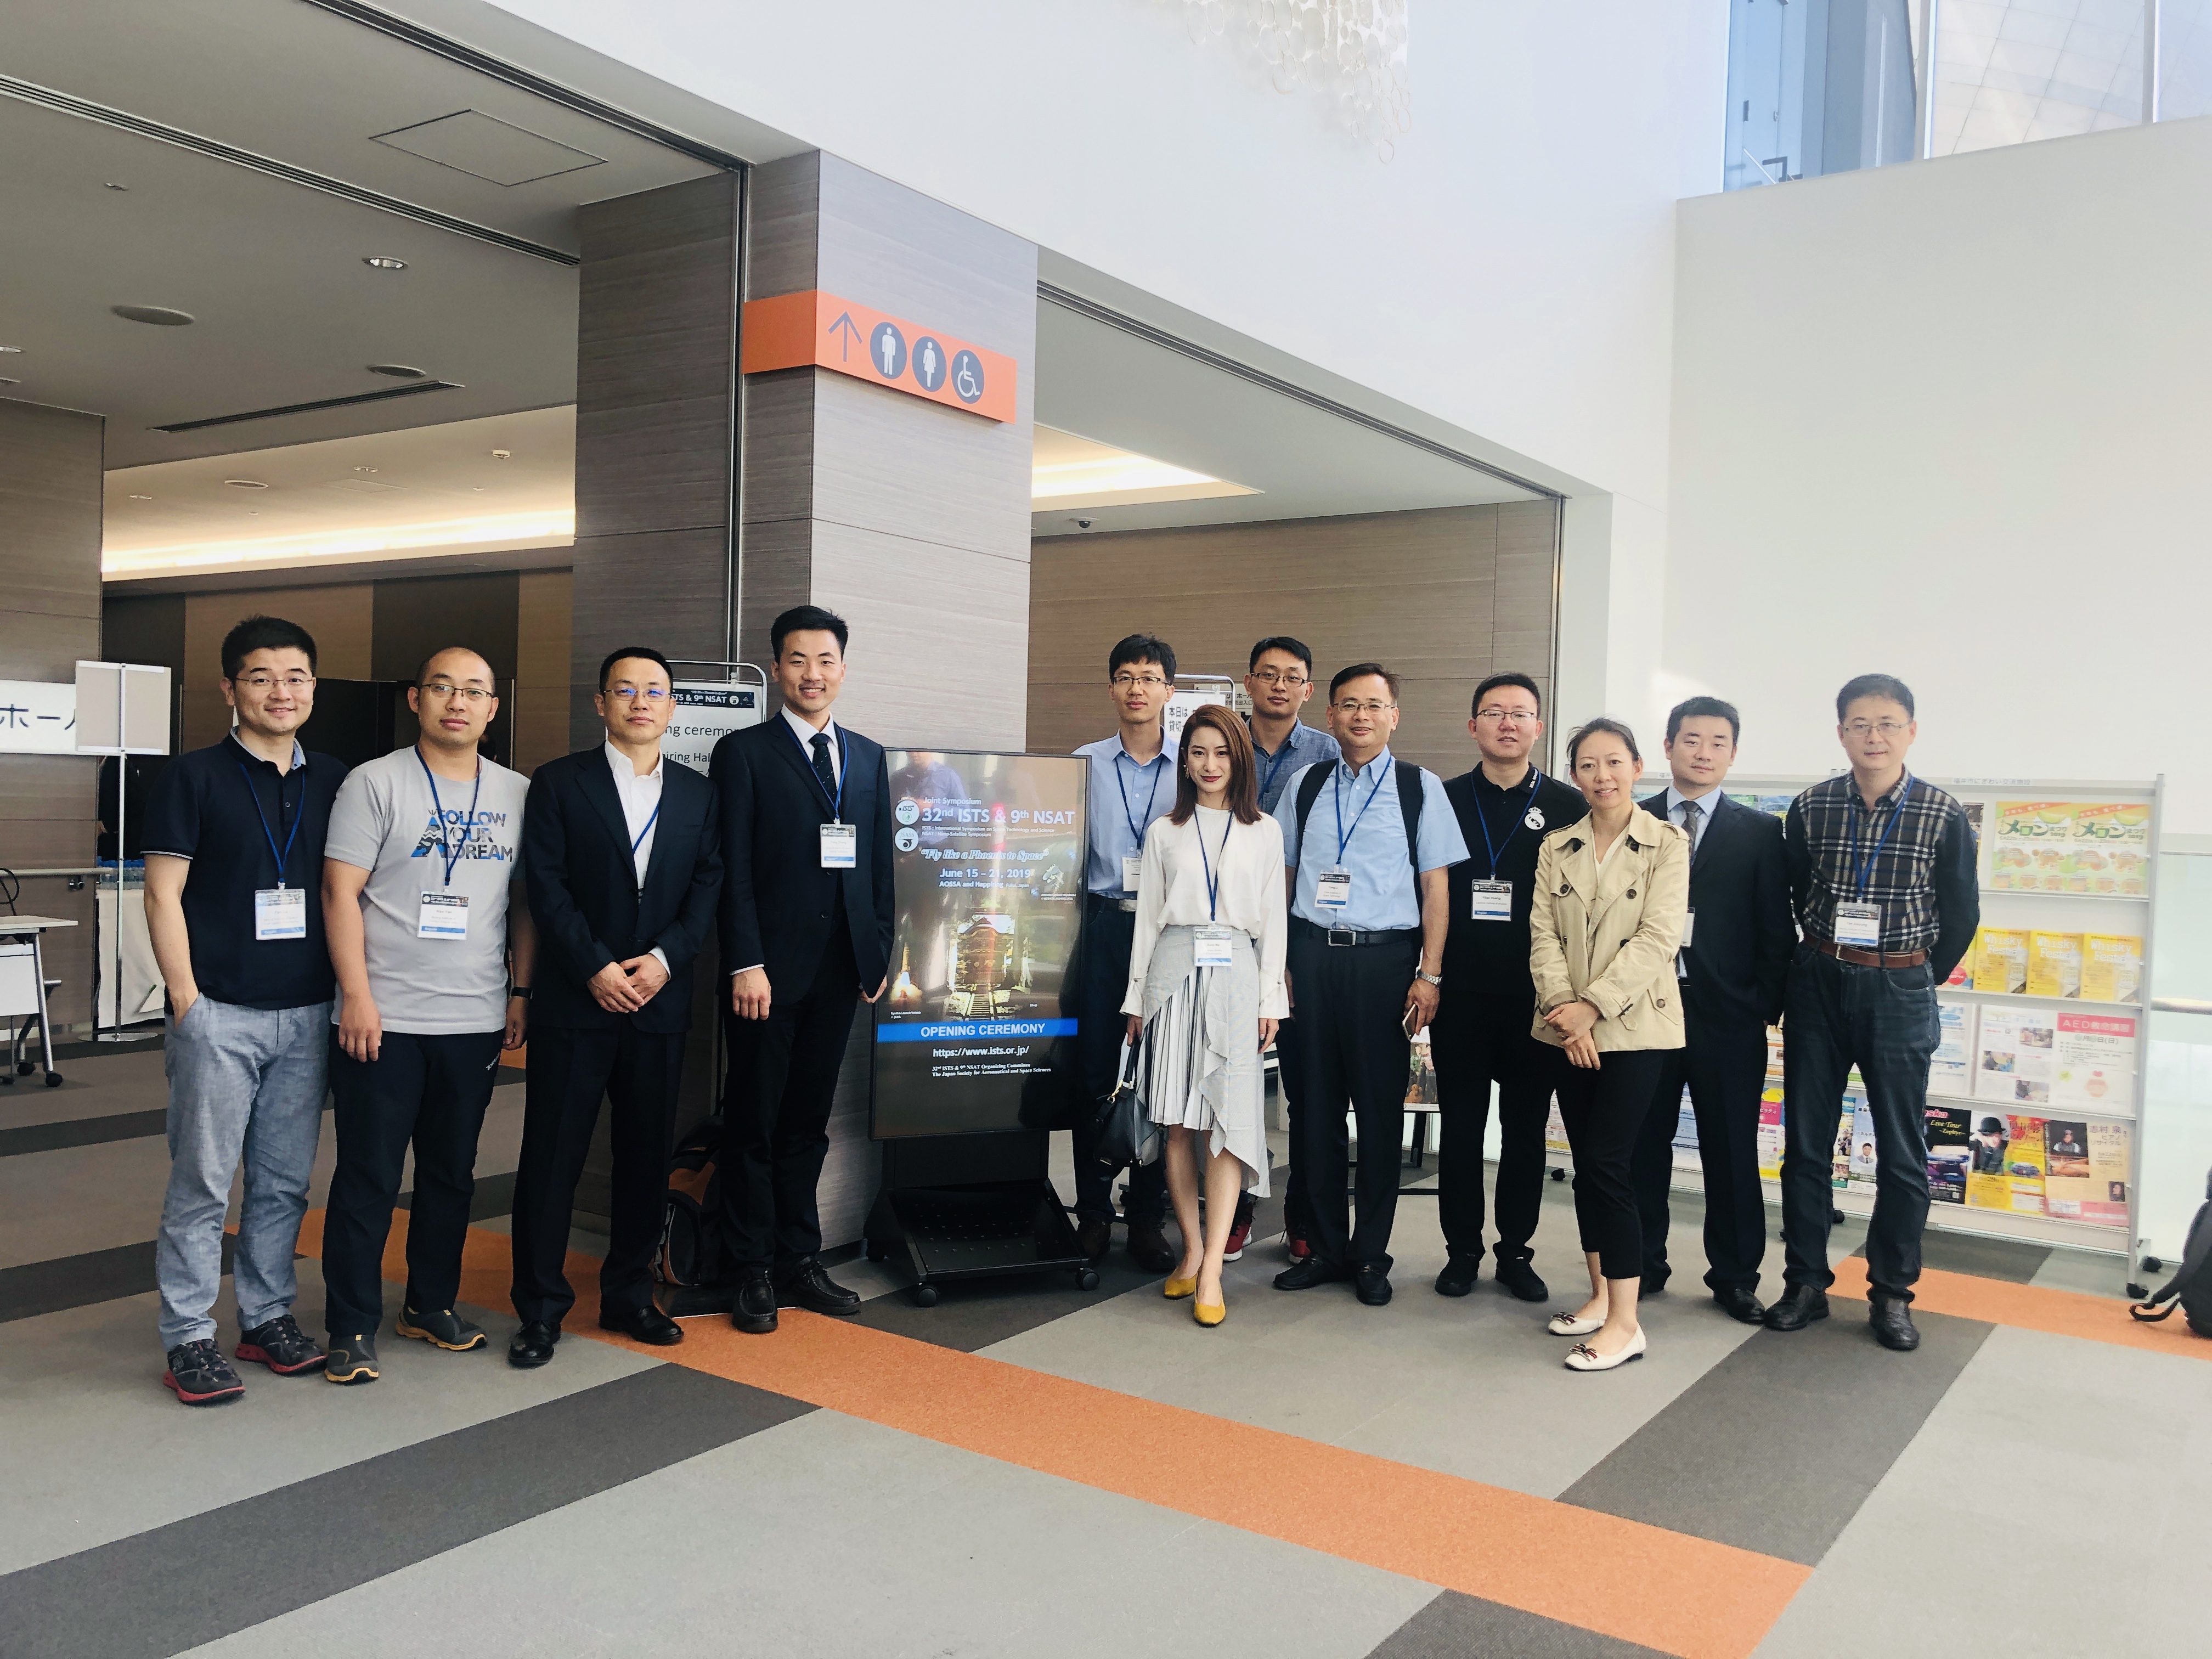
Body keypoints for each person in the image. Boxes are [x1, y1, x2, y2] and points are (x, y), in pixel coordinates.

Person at [141, 616, 347, 1405]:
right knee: (202, 1182)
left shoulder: (336, 779)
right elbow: (162, 894)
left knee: (284, 1182)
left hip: (307, 1012)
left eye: (295, 678)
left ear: (314, 688)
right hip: (219, 1013)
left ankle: (265, 1317)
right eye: (261, 677)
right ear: (231, 688)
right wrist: (186, 1000)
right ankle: (189, 1334)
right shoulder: (192, 777)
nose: (280, 692)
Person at [317, 649, 534, 1385]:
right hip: (383, 1018)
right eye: (443, 688)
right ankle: (351, 1324)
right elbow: (340, 893)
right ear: (416, 699)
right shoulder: (374, 782)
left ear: (493, 708)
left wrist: (520, 992)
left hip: (473, 1018)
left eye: (474, 691)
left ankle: (429, 1303)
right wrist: (356, 994)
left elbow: (524, 906)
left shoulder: (516, 792)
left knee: (451, 1175)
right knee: (369, 1175)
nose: (458, 702)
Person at [508, 647, 722, 1367]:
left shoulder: (698, 794)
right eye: (625, 690)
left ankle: (630, 1296)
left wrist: (664, 960)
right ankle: (540, 1310)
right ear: (601, 703)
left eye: (654, 691)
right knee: (552, 1159)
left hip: (658, 1003)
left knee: (644, 1158)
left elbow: (707, 889)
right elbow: (546, 885)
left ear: (671, 706)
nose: (640, 702)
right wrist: (594, 966)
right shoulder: (559, 782)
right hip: (576, 1001)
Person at [1767, 674, 1978, 1353]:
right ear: (1841, 733)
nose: (1874, 736)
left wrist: (1911, 974)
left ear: (1911, 732)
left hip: (1899, 986)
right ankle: (1805, 1282)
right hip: (1819, 982)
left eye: (1888, 723)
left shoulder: (1942, 813)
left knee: (1902, 1148)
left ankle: (1891, 1292)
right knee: (1806, 1143)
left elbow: (1962, 913)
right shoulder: (1812, 806)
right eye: (1860, 724)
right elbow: (1795, 891)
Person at [713, 606, 895, 1335]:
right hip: (765, 976)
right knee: (754, 1123)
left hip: (839, 973)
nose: (812, 674)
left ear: (843, 670)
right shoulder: (744, 753)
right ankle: (750, 1268)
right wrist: (745, 961)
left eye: (825, 661)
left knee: (807, 1125)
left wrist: (876, 951)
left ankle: (798, 1258)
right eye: (797, 660)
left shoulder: (868, 756)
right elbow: (732, 870)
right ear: (776, 669)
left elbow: (878, 865)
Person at [1271, 663, 1469, 1306]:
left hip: (1384, 965)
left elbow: (1435, 887)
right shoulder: (1305, 784)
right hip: (1309, 958)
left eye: (1374, 705)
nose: (1361, 716)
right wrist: (1278, 963)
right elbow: (1283, 875)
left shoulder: (1418, 787)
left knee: (1380, 1113)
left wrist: (1429, 974)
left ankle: (1370, 1256)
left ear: (1394, 717)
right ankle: (1326, 1248)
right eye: (1349, 705)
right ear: (1329, 715)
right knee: (1315, 1110)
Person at [1626, 696, 1794, 1324]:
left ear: (1733, 754)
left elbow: (1776, 930)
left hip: (1726, 1018)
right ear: (1668, 746)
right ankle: (1641, 1262)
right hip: (1645, 1009)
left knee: (1730, 1149)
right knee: (1642, 1144)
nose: (1703, 753)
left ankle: (1735, 1276)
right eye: (1691, 740)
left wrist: (1758, 1006)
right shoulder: (1632, 819)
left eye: (1718, 743)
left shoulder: (1761, 832)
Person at [1527, 717, 1688, 1372]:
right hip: (1568, 1029)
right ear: (1574, 775)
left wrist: (1591, 1007)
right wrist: (1568, 1015)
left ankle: (1627, 1323)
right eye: (1588, 765)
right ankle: (1600, 1297)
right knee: (1588, 1165)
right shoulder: (1558, 846)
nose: (1603, 776)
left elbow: (1658, 939)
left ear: (1638, 767)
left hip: (1635, 1028)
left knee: (1609, 1164)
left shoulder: (1667, 843)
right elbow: (1542, 935)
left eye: (1615, 762)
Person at [1122, 706, 1287, 1326]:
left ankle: (1214, 1265)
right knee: (1177, 1126)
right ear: (1184, 761)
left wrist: (1271, 999)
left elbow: (1274, 922)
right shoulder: (1165, 831)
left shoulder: (1264, 830)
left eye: (1221, 752)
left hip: (1237, 978)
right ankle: (1191, 1249)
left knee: (1225, 1122)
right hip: (1173, 975)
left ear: (1239, 759)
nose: (1210, 764)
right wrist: (1136, 1000)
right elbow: (1147, 920)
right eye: (1198, 752)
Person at [1431, 671, 1588, 1304]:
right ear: (1473, 726)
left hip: (1536, 1000)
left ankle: (1516, 1252)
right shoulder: (1442, 798)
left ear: (1538, 728)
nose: (1507, 724)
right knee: (1462, 1130)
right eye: (1494, 713)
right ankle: (1462, 1252)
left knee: (1525, 1133)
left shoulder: (1570, 804)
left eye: (1520, 714)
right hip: (1461, 996)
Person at [1070, 634, 1181, 1273]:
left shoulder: (1192, 765)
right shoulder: (1083, 764)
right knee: (1093, 1073)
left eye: (1149, 677)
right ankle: (1091, 1214)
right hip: (1103, 927)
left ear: (1169, 689)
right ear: (1111, 687)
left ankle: (1146, 1219)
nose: (1137, 688)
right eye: (1126, 676)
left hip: (1168, 935)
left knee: (1161, 1076)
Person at [1241, 636, 1340, 1266]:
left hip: (1296, 935)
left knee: (1305, 1087)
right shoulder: (1222, 740)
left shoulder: (1328, 753)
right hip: (1226, 930)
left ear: (1308, 689)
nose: (1279, 686)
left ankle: (1302, 1212)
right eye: (1268, 674)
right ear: (1249, 681)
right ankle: (1237, 1207)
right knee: (1233, 1081)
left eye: (1292, 677)